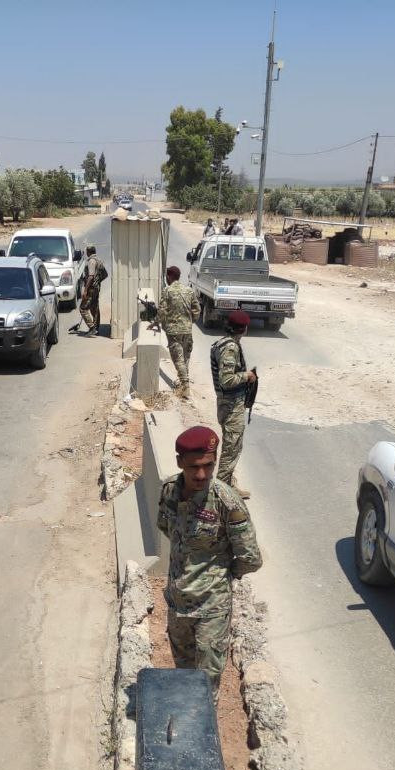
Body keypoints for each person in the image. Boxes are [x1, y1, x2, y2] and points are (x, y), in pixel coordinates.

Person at [157, 426, 262, 692]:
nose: (202, 474)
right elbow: (166, 527)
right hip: (177, 603)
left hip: (211, 609)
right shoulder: (170, 490)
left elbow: (250, 558)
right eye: (194, 467)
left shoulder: (227, 502)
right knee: (183, 678)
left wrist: (219, 575)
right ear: (180, 462)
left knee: (205, 685)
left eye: (208, 465)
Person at [211, 310, 256, 498]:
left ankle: (228, 485)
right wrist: (247, 376)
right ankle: (220, 495)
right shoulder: (230, 348)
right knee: (231, 450)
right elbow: (227, 380)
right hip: (230, 406)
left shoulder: (223, 343)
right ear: (243, 329)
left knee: (234, 446)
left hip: (229, 404)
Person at [152, 265, 200, 399]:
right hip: (187, 330)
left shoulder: (167, 291)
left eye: (166, 277)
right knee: (185, 357)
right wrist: (191, 321)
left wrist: (156, 322)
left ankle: (185, 387)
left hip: (173, 332)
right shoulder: (189, 290)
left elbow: (162, 310)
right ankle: (184, 380)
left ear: (169, 276)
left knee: (178, 359)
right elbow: (197, 309)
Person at [77, 245, 109, 337]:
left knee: (83, 308)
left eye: (86, 251)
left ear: (89, 252)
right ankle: (96, 329)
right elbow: (105, 275)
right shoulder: (99, 260)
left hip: (91, 289)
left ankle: (92, 328)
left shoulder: (91, 261)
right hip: (96, 288)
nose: (86, 253)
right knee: (94, 309)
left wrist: (85, 290)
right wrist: (97, 281)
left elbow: (91, 276)